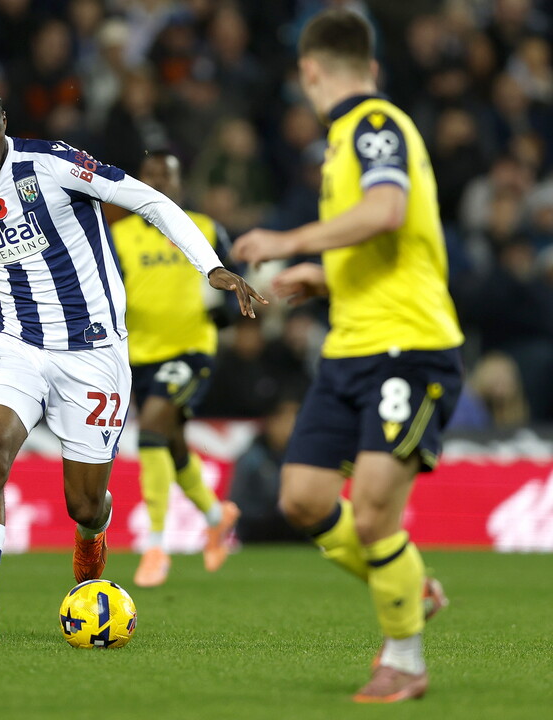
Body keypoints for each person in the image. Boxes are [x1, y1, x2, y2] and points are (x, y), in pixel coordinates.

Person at [0, 80, 266, 646]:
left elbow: (148, 200)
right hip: (19, 344)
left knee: (84, 503)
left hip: (94, 353)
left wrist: (211, 268)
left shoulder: (52, 163)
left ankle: (91, 536)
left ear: (4, 124)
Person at [231, 9, 464, 704]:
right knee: (302, 498)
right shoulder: (344, 140)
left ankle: (405, 659)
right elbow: (391, 245)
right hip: (350, 351)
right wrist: (324, 276)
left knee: (369, 516)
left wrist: (290, 241)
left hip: (409, 349)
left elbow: (389, 210)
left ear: (309, 71)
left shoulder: (372, 126)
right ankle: (408, 584)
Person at [109, 150, 240, 588]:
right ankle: (217, 516)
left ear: (180, 183)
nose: (159, 183)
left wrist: (227, 312)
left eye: (167, 175)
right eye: (150, 176)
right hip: (139, 355)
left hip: (189, 350)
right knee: (172, 441)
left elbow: (227, 279)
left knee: (151, 428)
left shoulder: (201, 228)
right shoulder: (118, 236)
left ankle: (155, 545)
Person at [227, 397, 306, 544]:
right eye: (287, 421)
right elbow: (239, 504)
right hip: (259, 531)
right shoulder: (252, 458)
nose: (293, 427)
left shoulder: (302, 456)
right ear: (271, 422)